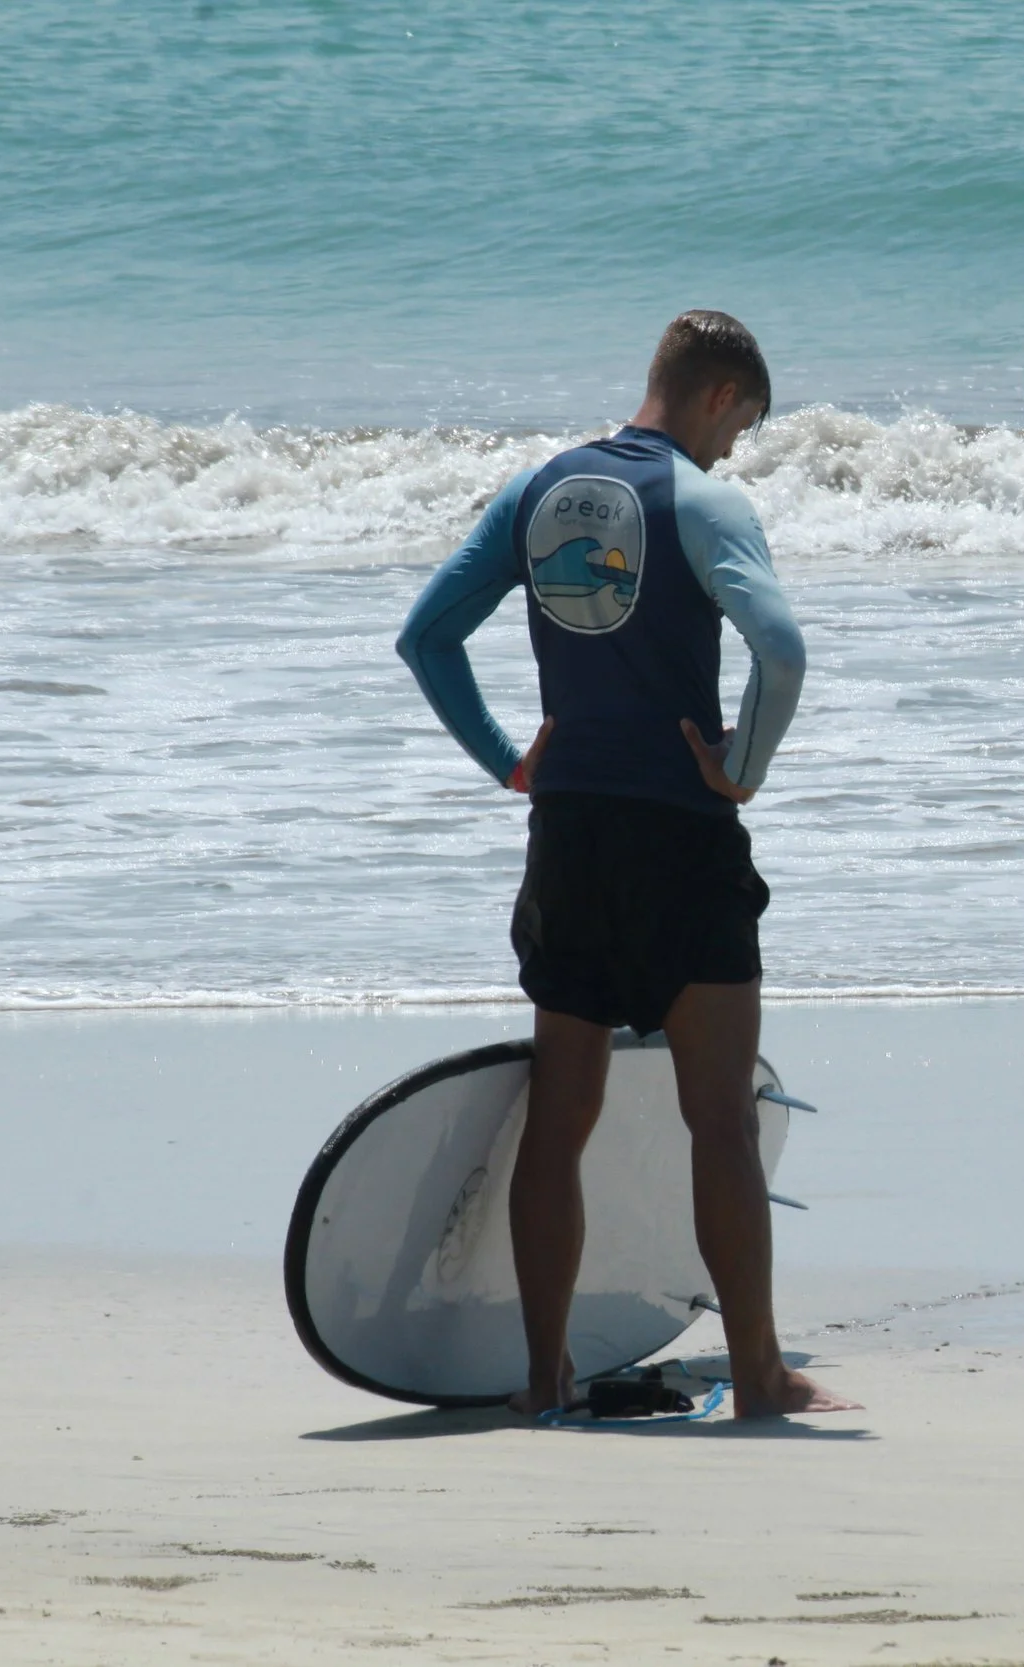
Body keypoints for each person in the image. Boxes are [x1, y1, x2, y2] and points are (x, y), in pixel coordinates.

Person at [396, 310, 855, 1421]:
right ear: (715, 394)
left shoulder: (539, 492)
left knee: (562, 1115)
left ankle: (544, 1373)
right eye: (741, 423)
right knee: (721, 1121)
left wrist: (509, 762)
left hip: (569, 839)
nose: (736, 448)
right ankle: (756, 1373)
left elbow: (427, 635)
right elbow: (781, 650)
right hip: (679, 840)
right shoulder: (702, 500)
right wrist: (739, 765)